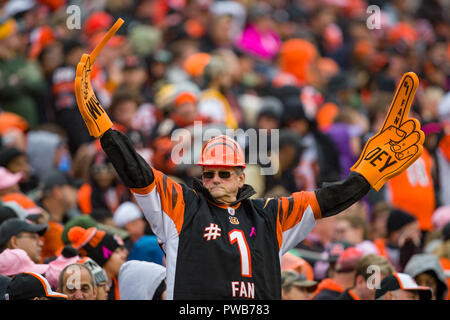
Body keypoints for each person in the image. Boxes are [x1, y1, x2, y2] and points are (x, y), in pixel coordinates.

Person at [75, 55, 424, 299]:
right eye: (208, 172)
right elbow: (138, 173)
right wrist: (106, 130)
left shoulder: (270, 215)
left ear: (241, 175)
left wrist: (364, 176)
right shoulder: (183, 206)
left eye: (223, 173)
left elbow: (326, 200)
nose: (214, 179)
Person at [67, 226, 127, 300]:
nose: (123, 256)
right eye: (116, 252)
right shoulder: (88, 290)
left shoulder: (119, 282)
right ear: (103, 258)